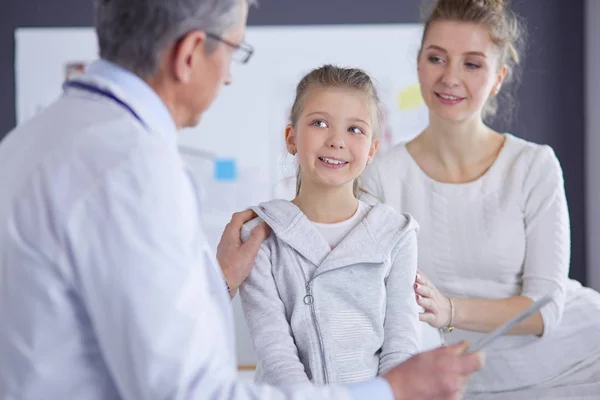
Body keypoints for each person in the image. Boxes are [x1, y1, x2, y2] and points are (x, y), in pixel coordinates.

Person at [0, 0, 483, 399]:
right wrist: (388, 392)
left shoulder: (26, 143)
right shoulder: (133, 169)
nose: (229, 76)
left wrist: (218, 280)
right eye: (234, 52)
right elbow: (189, 391)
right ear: (190, 53)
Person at [361, 0, 600, 398]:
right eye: (437, 58)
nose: (450, 77)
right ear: (419, 63)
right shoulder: (381, 177)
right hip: (456, 378)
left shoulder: (533, 166)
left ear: (497, 77)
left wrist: (449, 308)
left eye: (472, 64)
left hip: (577, 356)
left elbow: (546, 309)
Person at [240, 65, 420, 386]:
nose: (337, 140)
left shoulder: (396, 234)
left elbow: (400, 348)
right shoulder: (261, 234)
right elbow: (277, 355)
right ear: (291, 137)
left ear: (372, 151)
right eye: (319, 123)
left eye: (355, 129)